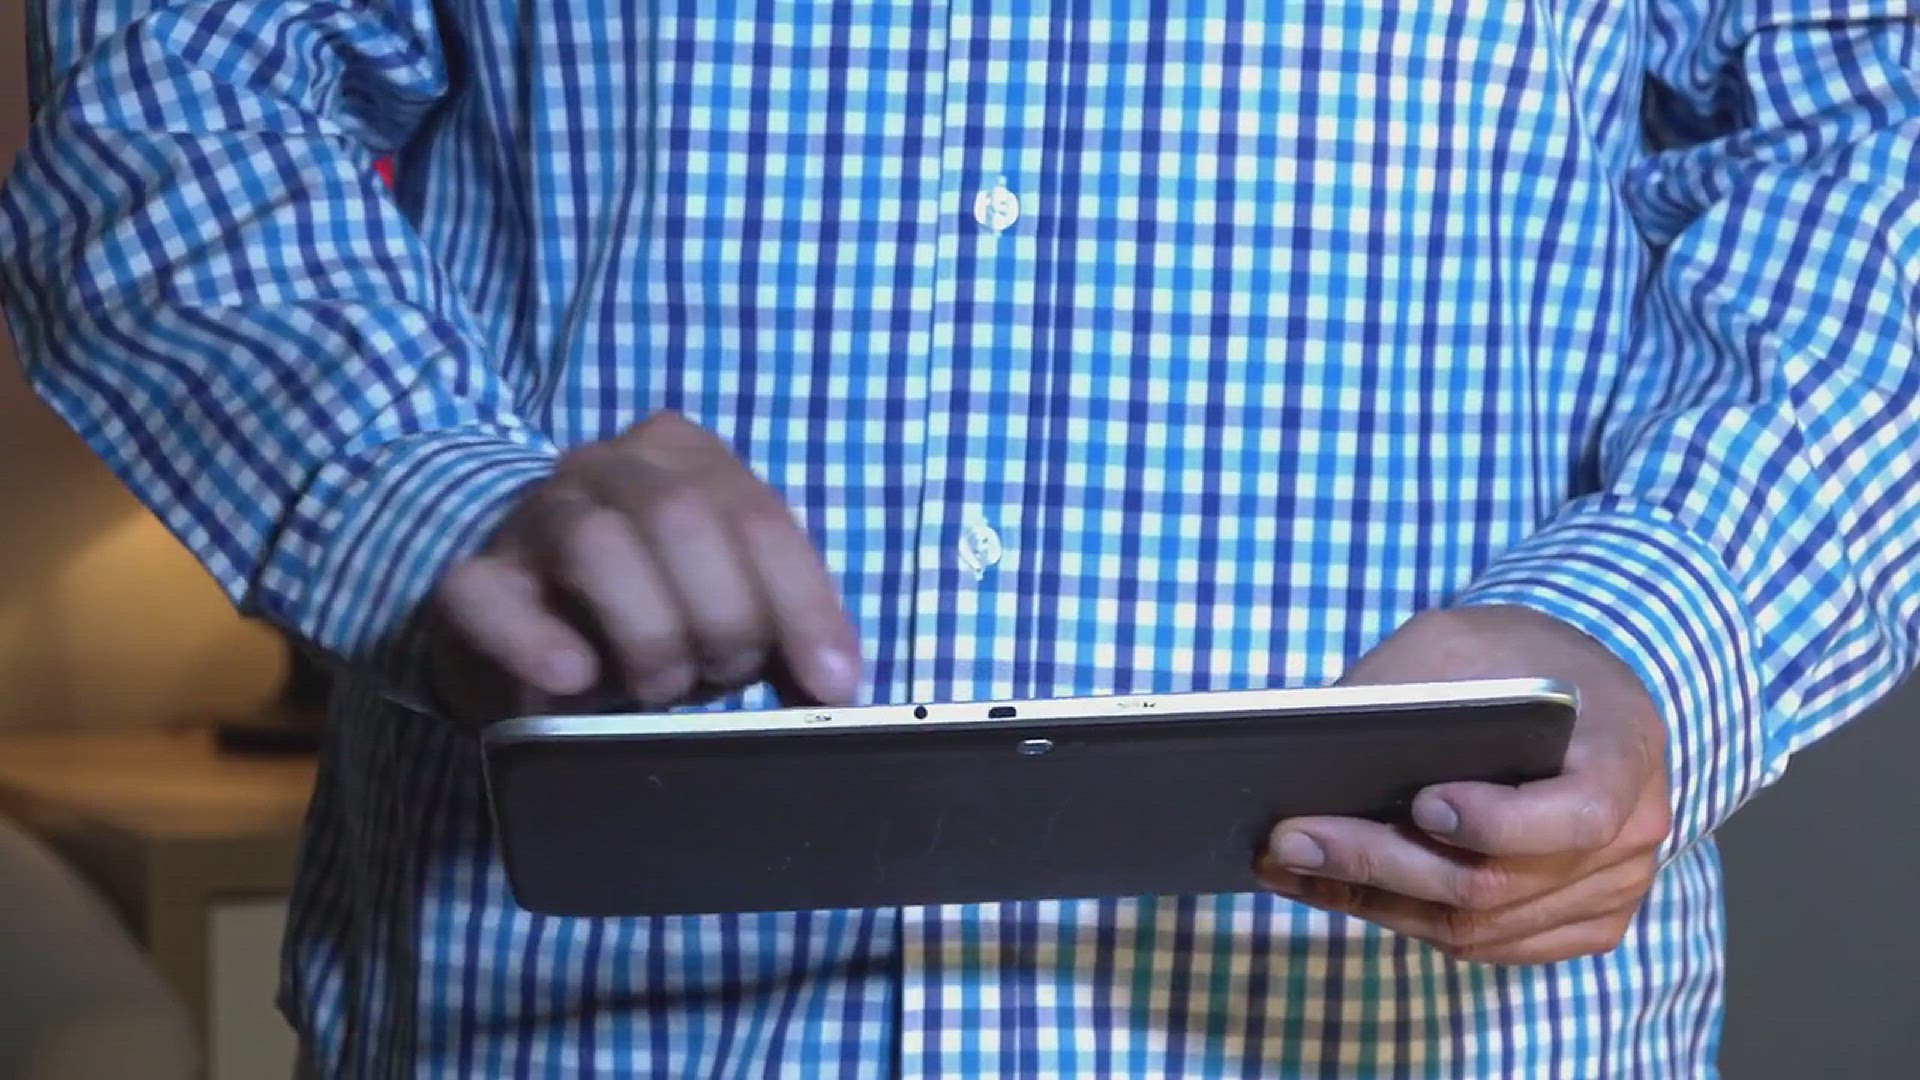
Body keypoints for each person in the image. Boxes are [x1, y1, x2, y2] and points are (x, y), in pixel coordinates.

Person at [3, 1, 1915, 1075]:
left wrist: (1663, 624)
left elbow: (1870, 124)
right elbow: (182, 77)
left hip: (1417, 1029)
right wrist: (427, 497)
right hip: (564, 1019)